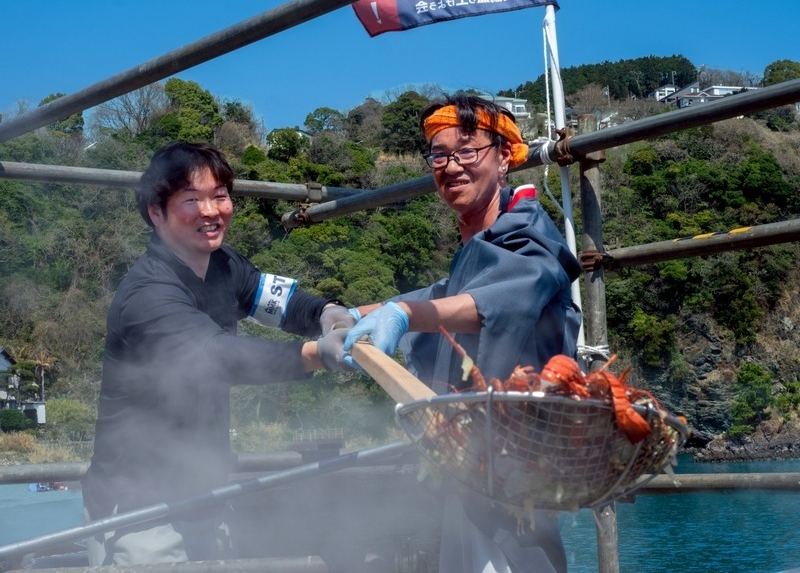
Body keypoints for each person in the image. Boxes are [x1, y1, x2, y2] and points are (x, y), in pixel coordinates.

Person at [82, 142, 354, 566]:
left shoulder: (224, 264)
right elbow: (214, 358)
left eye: (220, 196)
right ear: (156, 212)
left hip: (207, 493)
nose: (211, 211)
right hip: (141, 508)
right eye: (192, 200)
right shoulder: (147, 293)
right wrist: (318, 353)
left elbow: (279, 301)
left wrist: (327, 311)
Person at [343, 94, 582, 573]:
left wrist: (403, 315)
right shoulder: (478, 249)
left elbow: (501, 299)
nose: (452, 166)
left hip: (516, 473)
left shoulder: (530, 233)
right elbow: (441, 294)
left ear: (504, 156)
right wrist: (345, 314)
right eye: (439, 154)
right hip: (470, 473)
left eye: (467, 150)